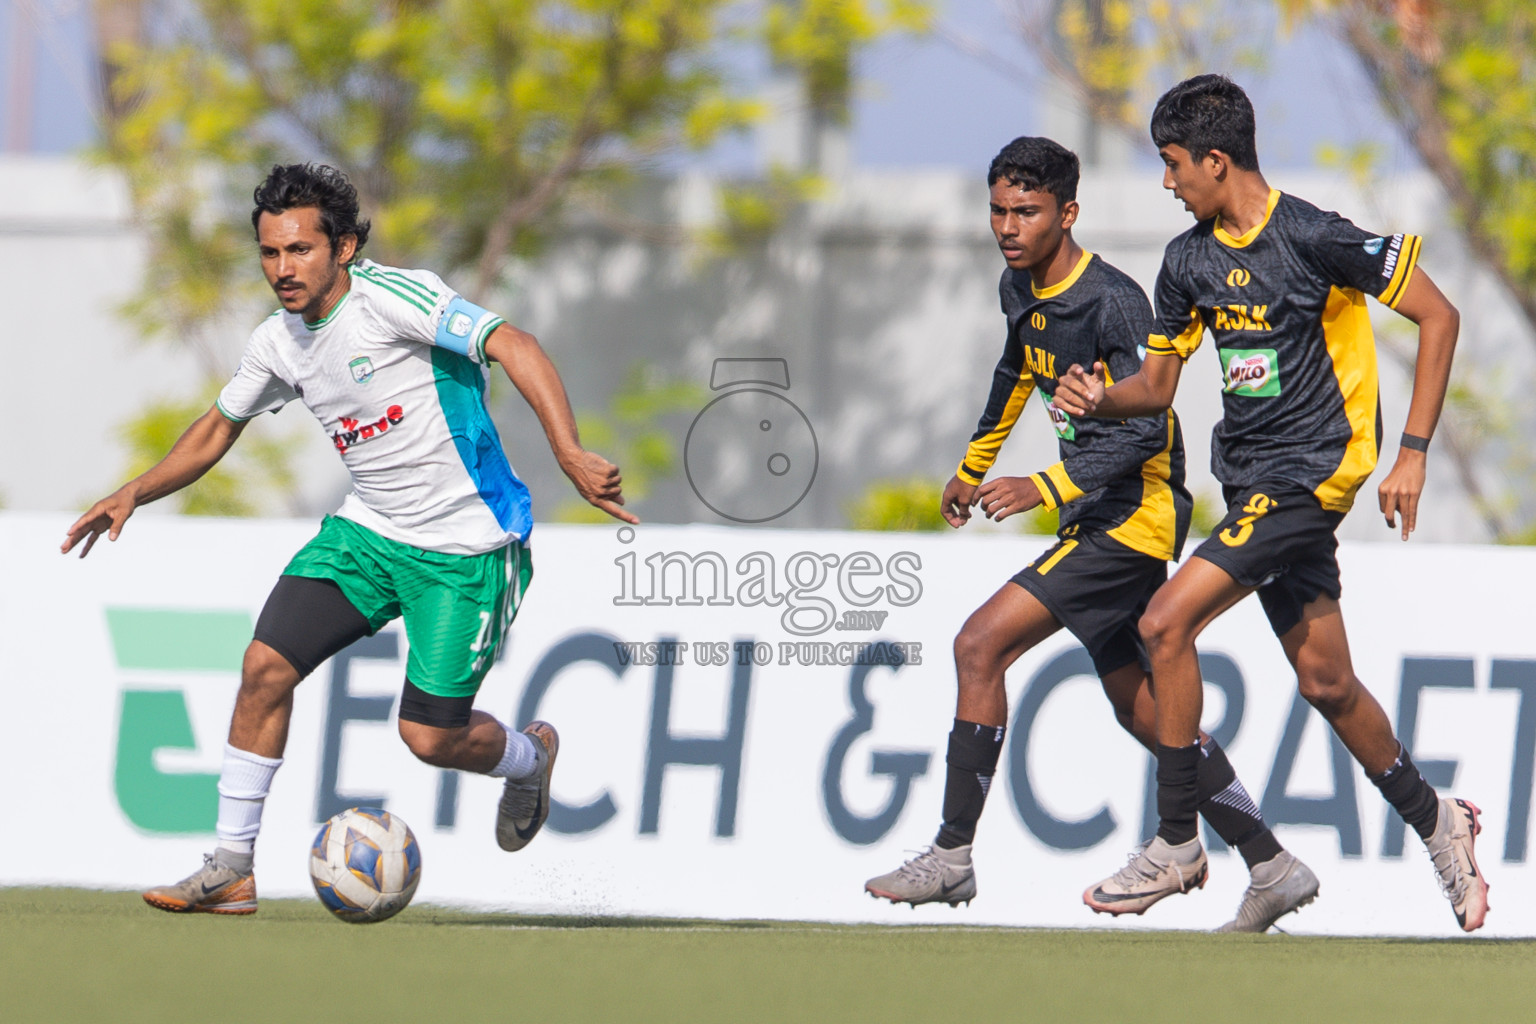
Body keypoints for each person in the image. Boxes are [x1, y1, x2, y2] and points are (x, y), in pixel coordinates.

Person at [63, 163, 636, 914]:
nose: (282, 269)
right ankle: (231, 867)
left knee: (428, 738)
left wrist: (566, 450)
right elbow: (215, 429)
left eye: (299, 250)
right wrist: (134, 490)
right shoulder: (278, 342)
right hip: (367, 535)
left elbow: (516, 344)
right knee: (264, 668)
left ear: (346, 247)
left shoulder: (395, 299)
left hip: (466, 550)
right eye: (270, 253)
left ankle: (529, 758)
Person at [1054, 75, 1486, 932]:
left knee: (1164, 625)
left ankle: (1178, 839)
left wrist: (1411, 452)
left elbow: (1439, 316)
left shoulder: (1315, 238)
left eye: (1174, 165)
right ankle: (1439, 820)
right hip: (1254, 485)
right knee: (1327, 681)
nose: (1168, 182)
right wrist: (1104, 398)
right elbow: (1160, 386)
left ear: (1218, 160)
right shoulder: (1187, 262)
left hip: (1314, 475)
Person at [863, 136, 1318, 933]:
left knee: (980, 646)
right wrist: (973, 466)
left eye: (1027, 212)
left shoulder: (1114, 301)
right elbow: (1015, 368)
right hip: (1095, 515)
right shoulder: (1018, 286)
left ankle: (951, 856)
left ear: (1067, 213)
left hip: (1131, 520)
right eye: (999, 211)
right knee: (1147, 715)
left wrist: (1039, 484)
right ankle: (1271, 861)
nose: (1009, 226)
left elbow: (1148, 429)